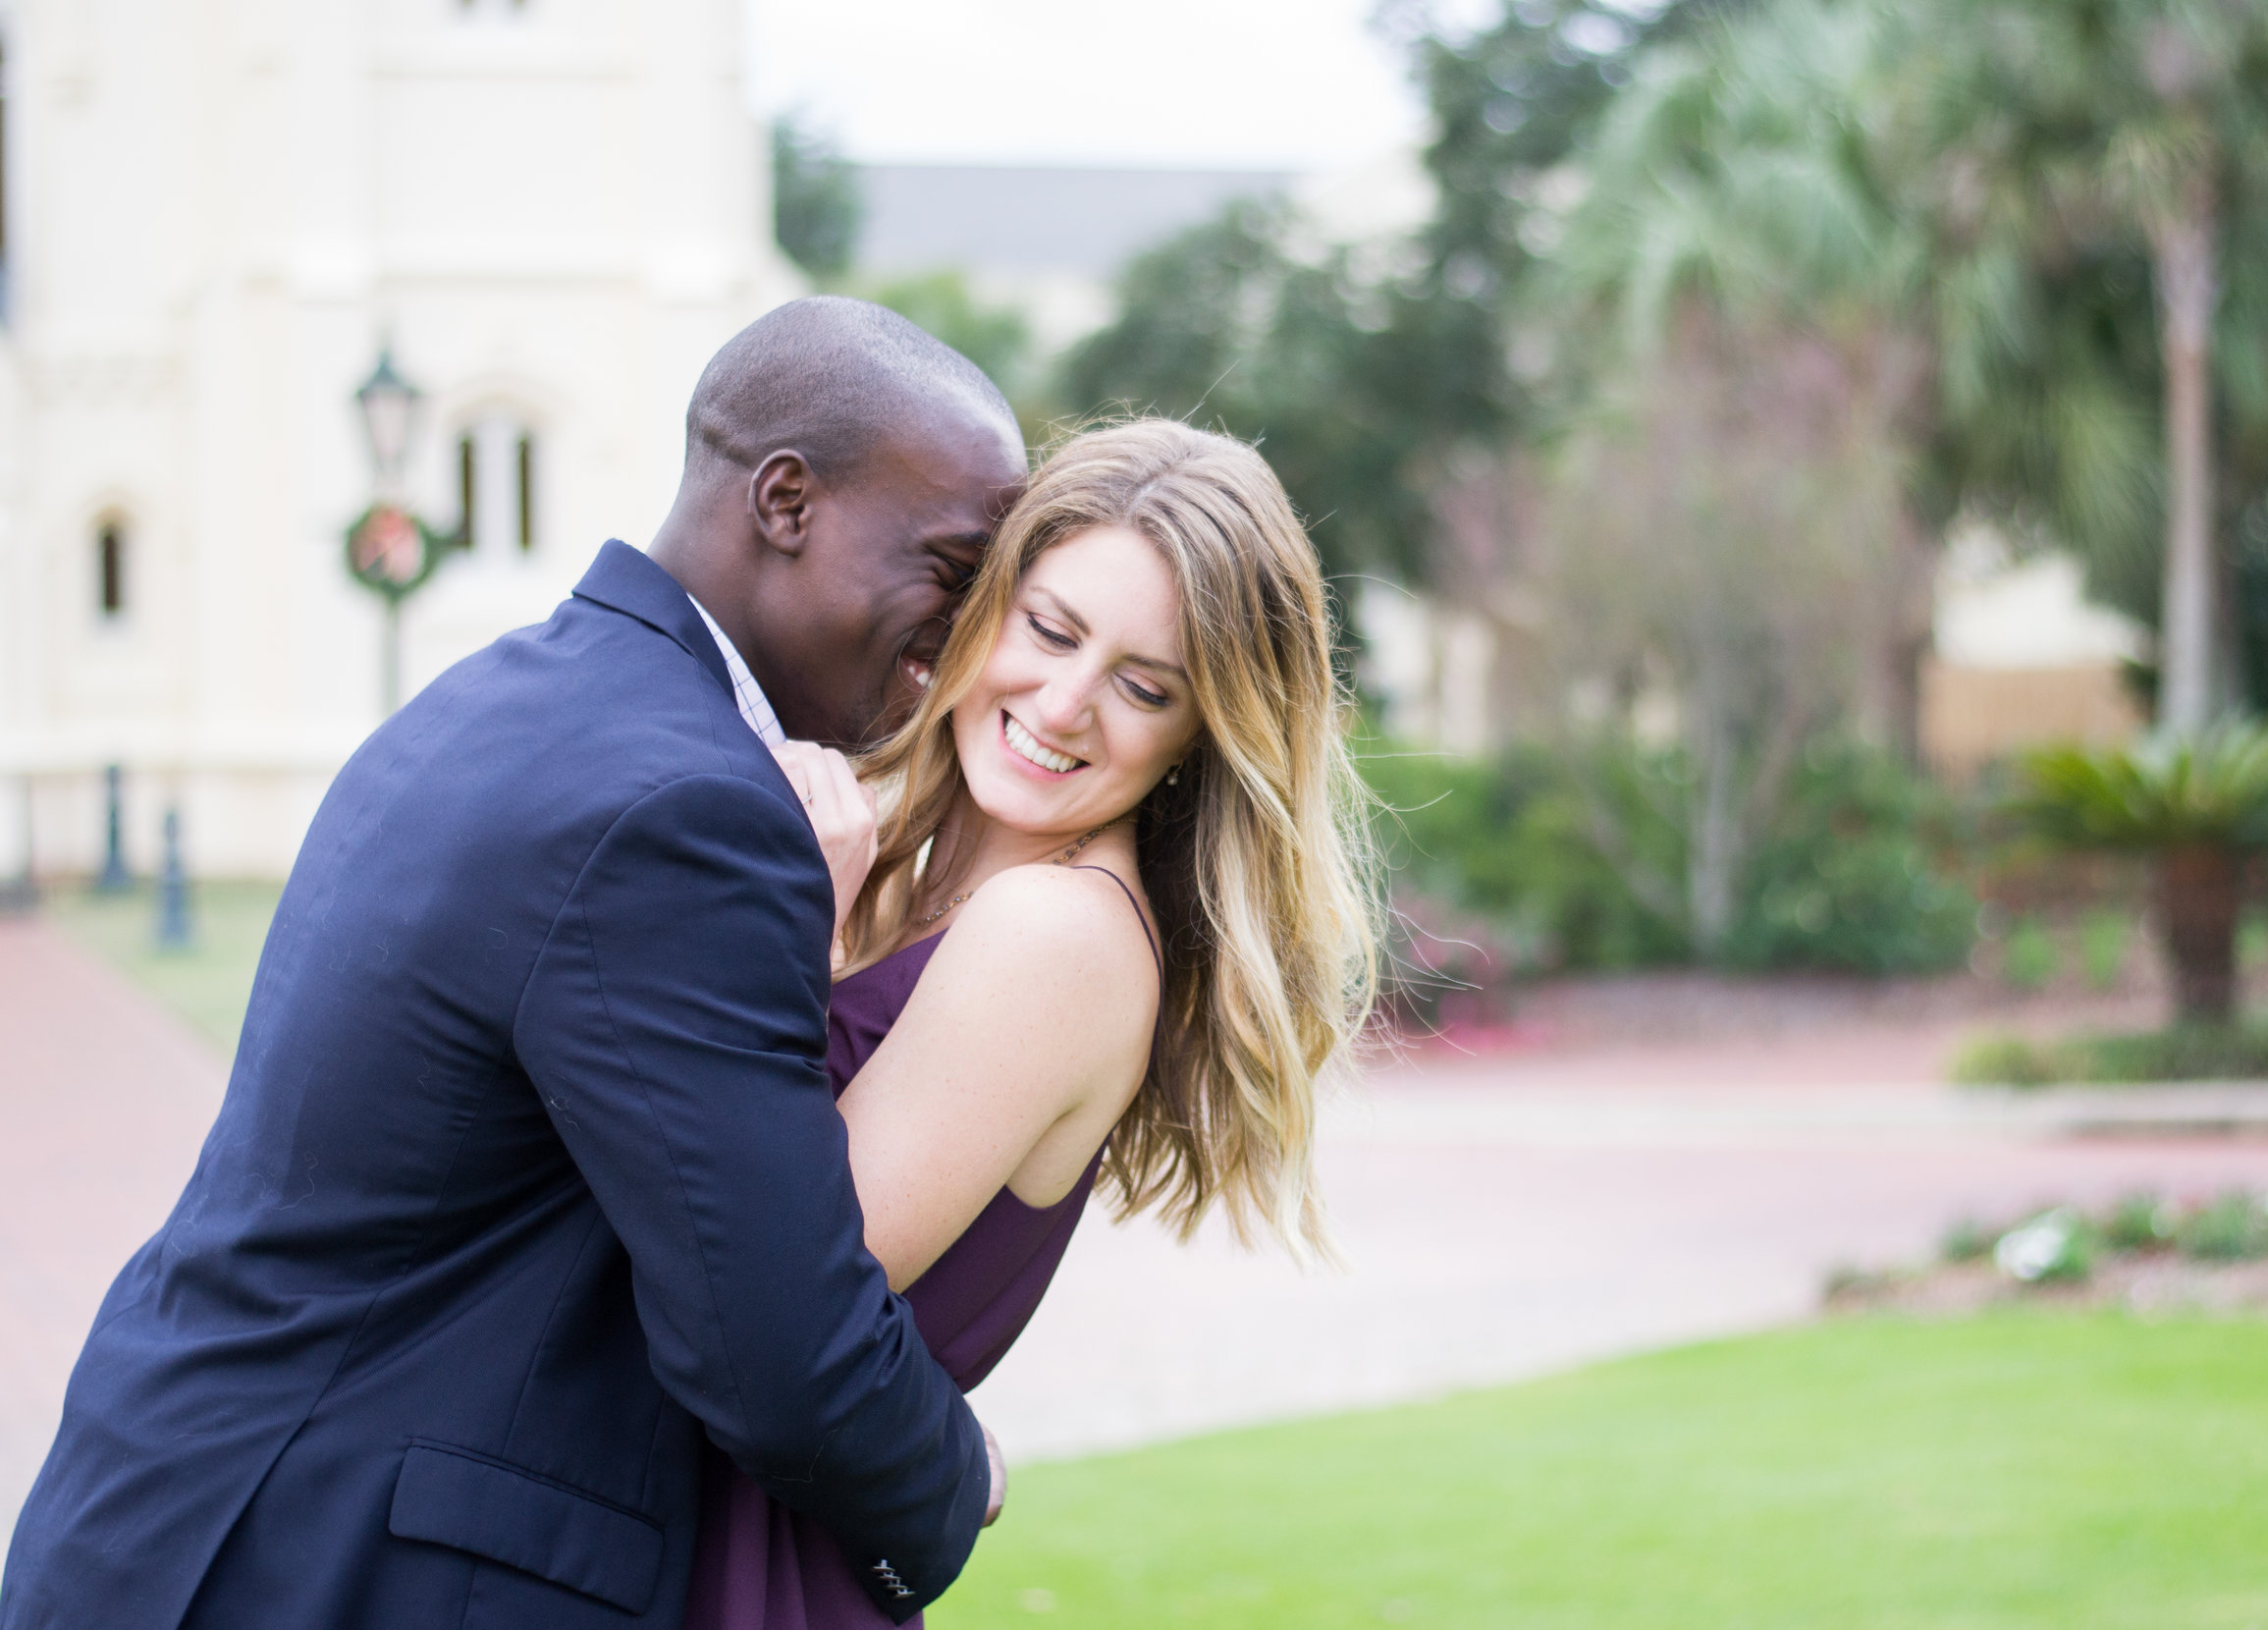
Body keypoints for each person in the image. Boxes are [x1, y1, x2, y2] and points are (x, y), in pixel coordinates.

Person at [0, 299, 1027, 1630]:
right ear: (786, 500)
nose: (962, 639)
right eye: (952, 570)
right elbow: (776, 1341)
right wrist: (958, 1476)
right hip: (321, 1566)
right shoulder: (688, 808)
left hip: (166, 1511)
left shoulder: (502, 696)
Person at [684, 417, 1380, 1627]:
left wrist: (792, 934)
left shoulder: (1058, 936)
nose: (1062, 704)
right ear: (983, 606)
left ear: (1197, 738)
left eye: (1144, 686)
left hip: (754, 1581)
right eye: (1050, 629)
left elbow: (773, 1275)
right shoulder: (891, 859)